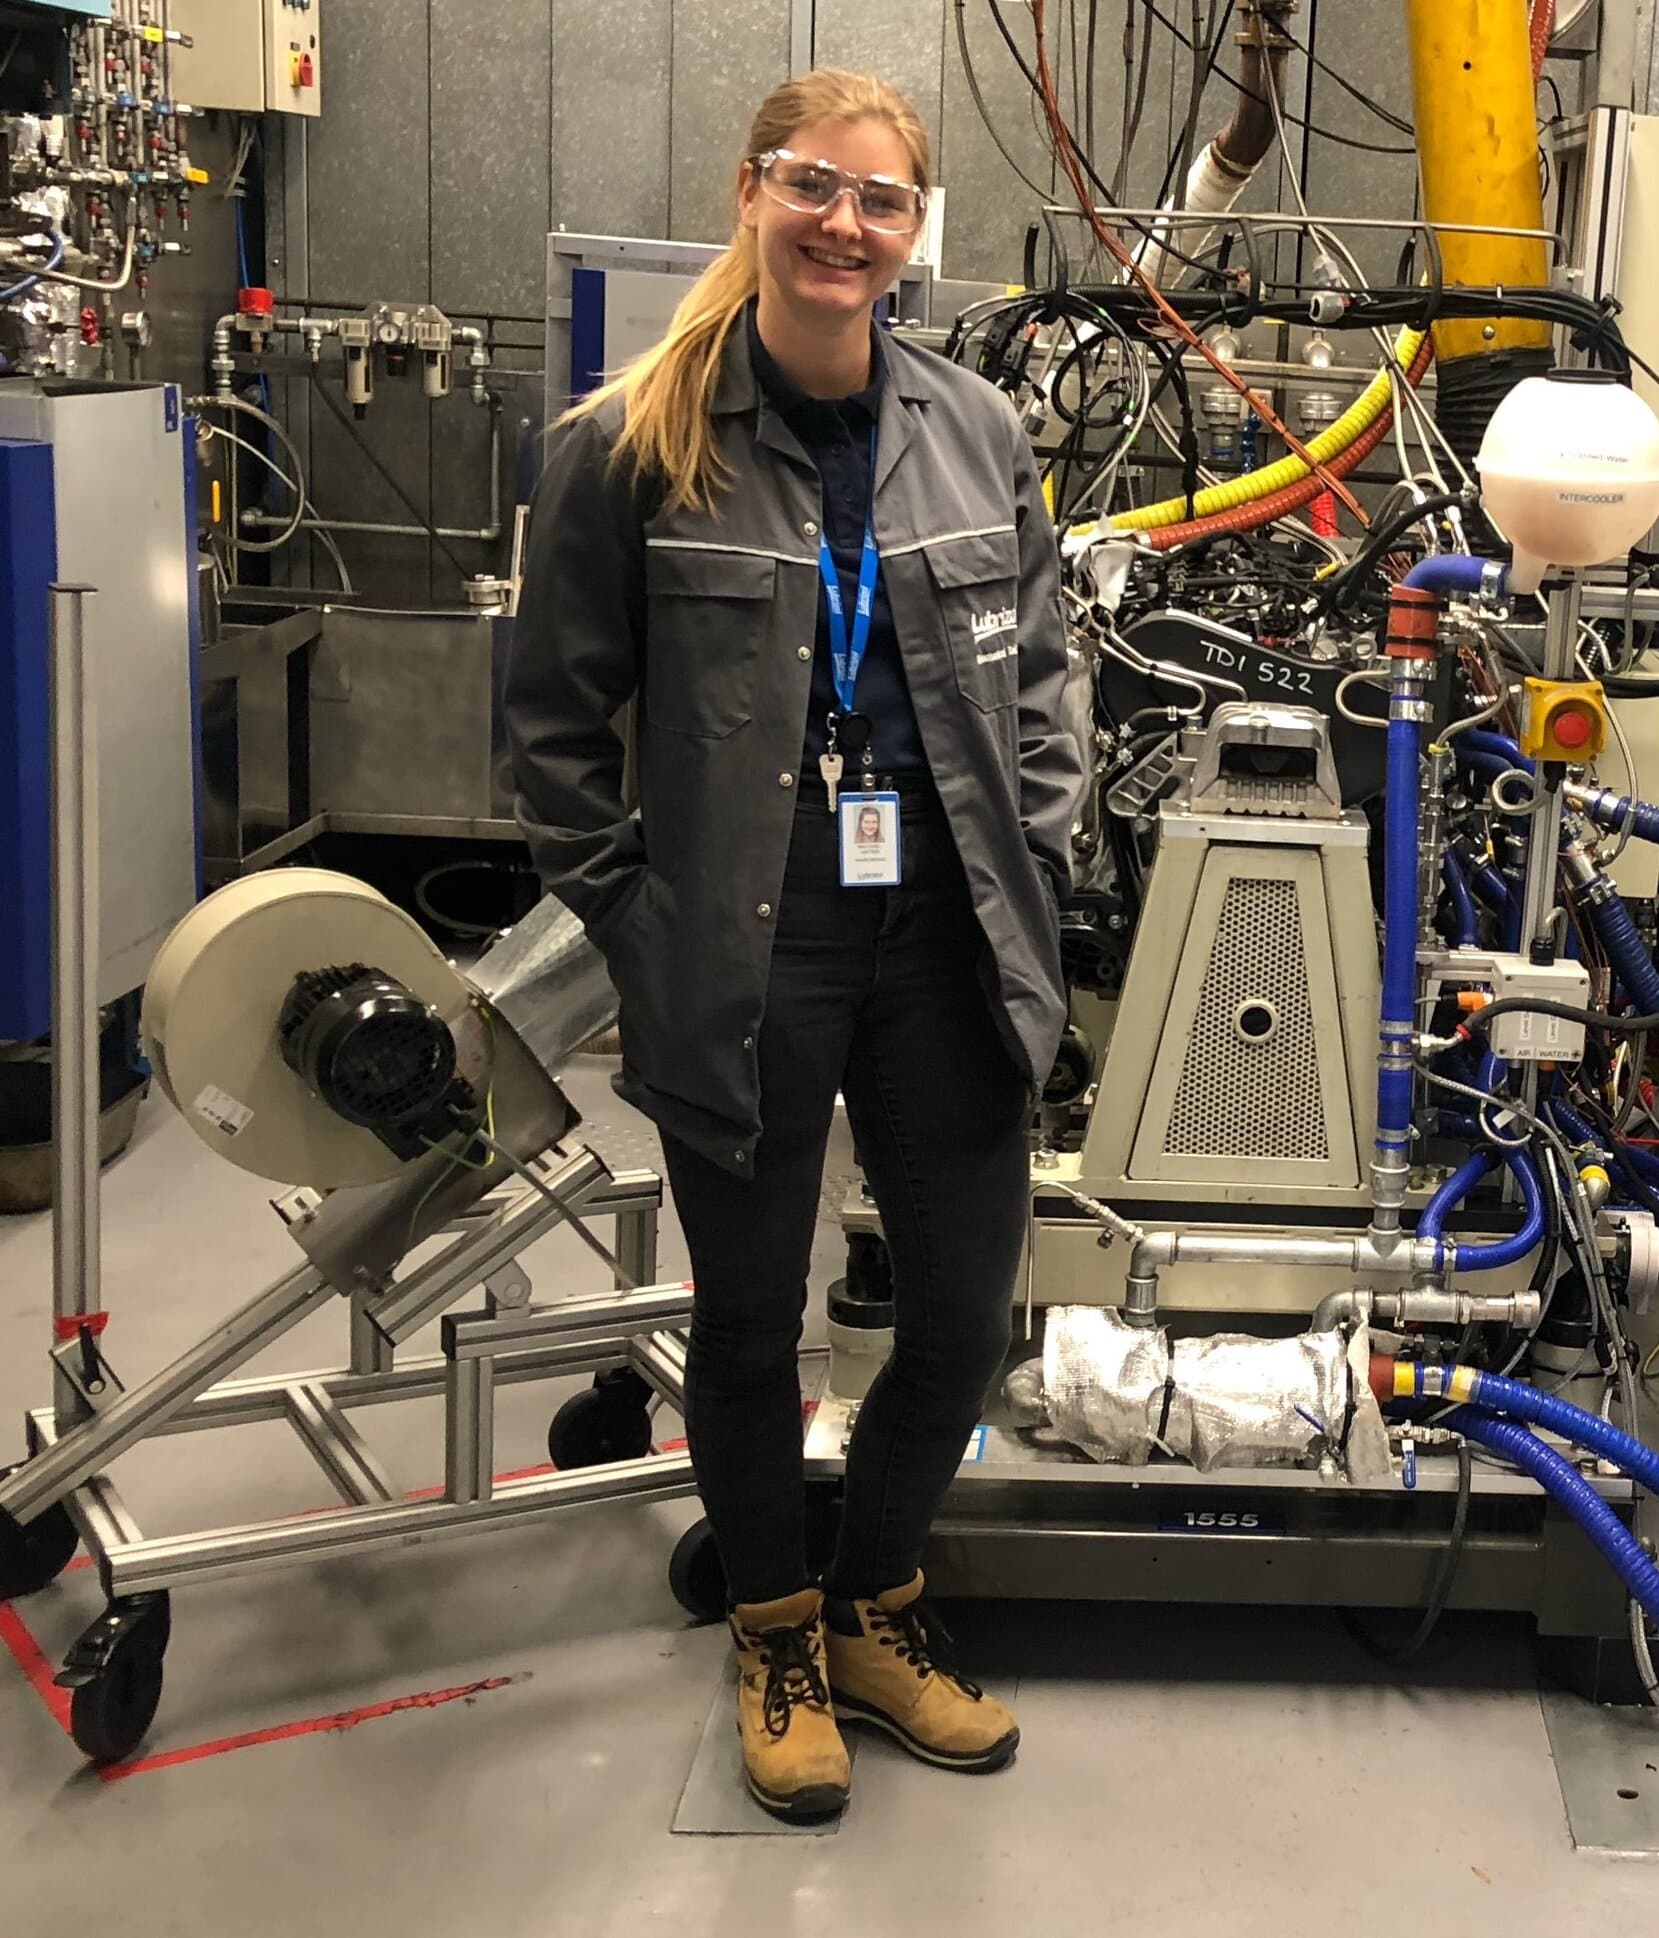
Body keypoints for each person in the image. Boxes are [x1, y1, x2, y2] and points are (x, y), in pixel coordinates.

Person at [504, 65, 1079, 1825]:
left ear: (914, 231)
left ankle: (875, 1604)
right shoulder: (628, 444)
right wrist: (641, 921)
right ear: (754, 192)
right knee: (751, 1325)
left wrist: (1042, 847)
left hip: (948, 931)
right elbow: (552, 735)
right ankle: (774, 1633)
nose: (846, 223)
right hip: (747, 942)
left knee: (963, 1318)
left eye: (881, 198)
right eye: (814, 185)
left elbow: (1042, 674)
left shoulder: (975, 429)